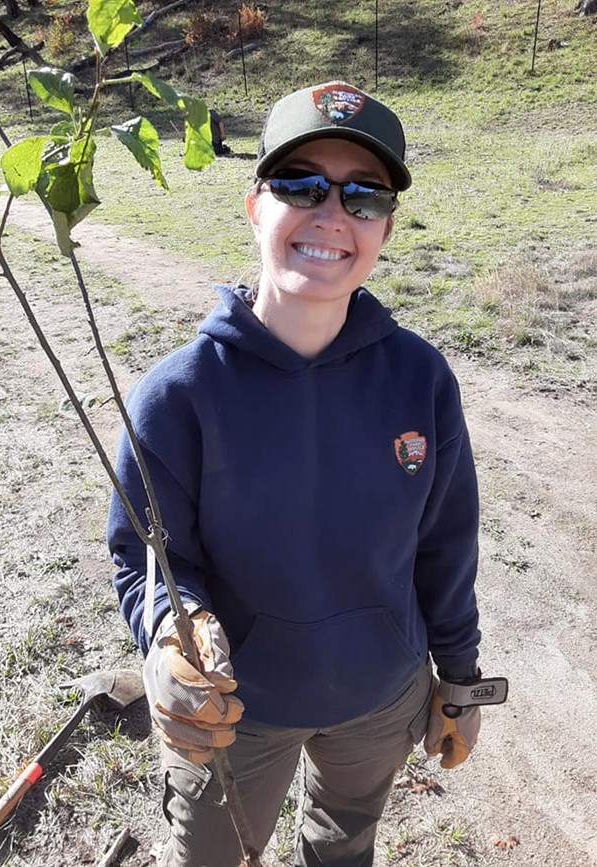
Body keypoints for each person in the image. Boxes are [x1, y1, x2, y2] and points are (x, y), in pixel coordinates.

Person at [108, 81, 504, 867]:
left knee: (345, 843)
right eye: (300, 186)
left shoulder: (421, 379)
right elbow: (148, 555)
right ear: (256, 206)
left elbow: (445, 544)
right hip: (235, 713)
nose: (331, 215)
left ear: (386, 225)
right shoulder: (179, 394)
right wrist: (168, 631)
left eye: (364, 196)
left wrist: (457, 675)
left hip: (381, 696)